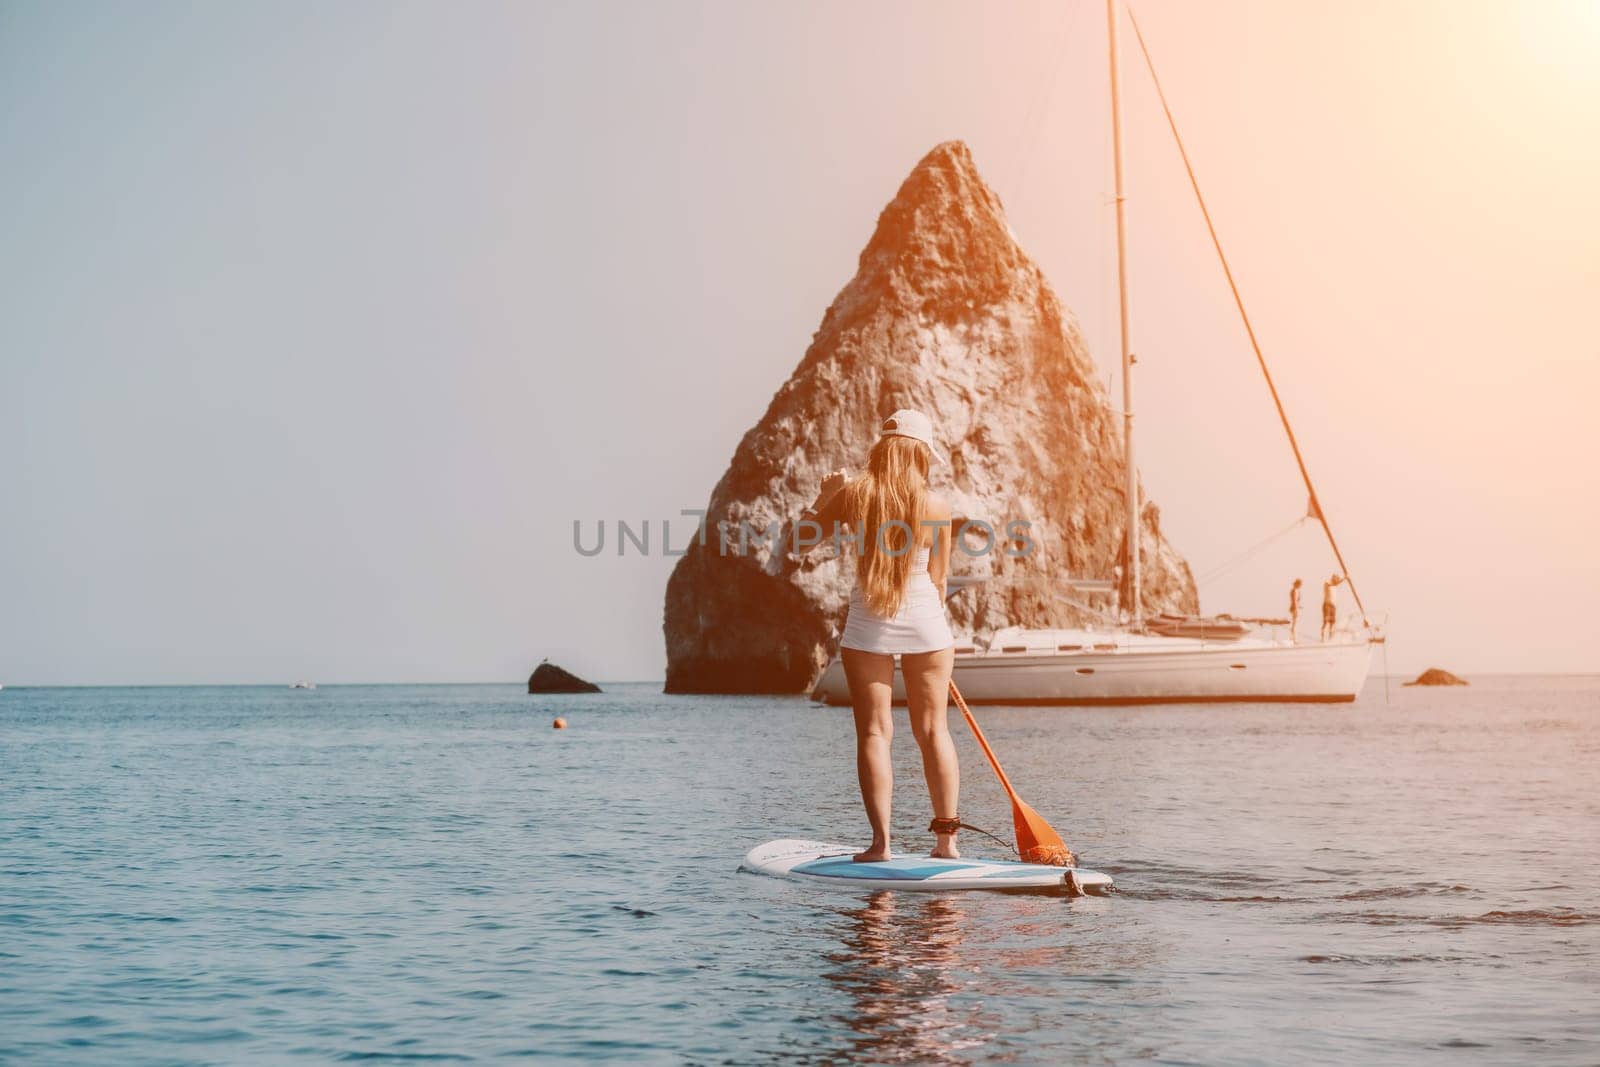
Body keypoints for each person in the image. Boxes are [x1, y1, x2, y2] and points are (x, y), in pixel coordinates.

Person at [799, 409, 959, 862]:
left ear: (881, 449)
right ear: (921, 454)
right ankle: (946, 842)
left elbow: (800, 542)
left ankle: (881, 845)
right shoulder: (938, 506)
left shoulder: (854, 496)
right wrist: (930, 628)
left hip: (869, 623)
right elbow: (940, 579)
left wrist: (823, 497)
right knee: (934, 731)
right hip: (927, 623)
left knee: (874, 733)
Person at [1321, 573, 1344, 642]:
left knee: (1332, 622)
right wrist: (1344, 579)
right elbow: (1334, 584)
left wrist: (1342, 579)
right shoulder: (1327, 583)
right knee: (1326, 620)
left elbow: (1336, 584)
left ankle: (1330, 637)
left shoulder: (1335, 586)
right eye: (1336, 579)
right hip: (1327, 604)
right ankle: (1322, 637)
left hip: (1333, 605)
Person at [1288, 578, 1303, 644]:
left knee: (1295, 624)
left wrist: (1299, 606)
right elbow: (1294, 600)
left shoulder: (1296, 590)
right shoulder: (1294, 590)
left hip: (1295, 608)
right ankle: (1293, 639)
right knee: (1295, 624)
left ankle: (1293, 638)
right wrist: (1296, 608)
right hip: (1294, 608)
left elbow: (1296, 600)